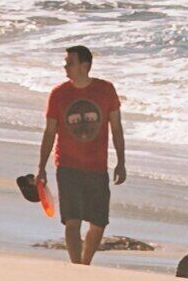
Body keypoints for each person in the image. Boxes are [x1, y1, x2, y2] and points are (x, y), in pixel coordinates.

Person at [35, 43, 125, 266]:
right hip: (67, 165)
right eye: (66, 63)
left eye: (70, 63)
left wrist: (121, 162)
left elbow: (116, 128)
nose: (65, 67)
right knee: (72, 220)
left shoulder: (106, 90)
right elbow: (49, 132)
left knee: (99, 223)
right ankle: (77, 267)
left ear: (85, 66)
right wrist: (41, 167)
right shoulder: (58, 94)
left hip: (97, 166)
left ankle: (85, 264)